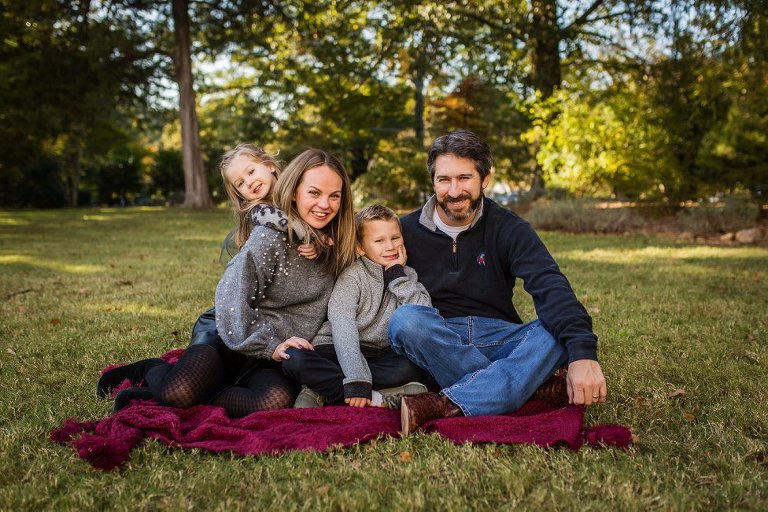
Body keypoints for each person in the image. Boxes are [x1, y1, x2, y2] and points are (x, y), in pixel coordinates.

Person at [97, 147, 357, 417]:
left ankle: (183, 393)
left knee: (274, 401)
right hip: (232, 326)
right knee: (179, 391)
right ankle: (151, 371)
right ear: (295, 191)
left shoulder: (339, 241)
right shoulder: (271, 233)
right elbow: (232, 295)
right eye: (314, 193)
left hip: (279, 349)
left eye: (334, 196)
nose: (324, 205)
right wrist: (268, 345)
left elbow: (377, 233)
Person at [388, 129, 608, 435]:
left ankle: (449, 402)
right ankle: (527, 387)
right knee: (406, 321)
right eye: (444, 180)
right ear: (433, 181)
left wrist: (583, 353)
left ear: (485, 179)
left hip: (500, 337)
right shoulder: (404, 230)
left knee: (554, 331)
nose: (454, 191)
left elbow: (550, 285)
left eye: (464, 178)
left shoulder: (510, 228)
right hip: (438, 335)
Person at [282, 204, 431, 409]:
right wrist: (356, 377)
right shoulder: (353, 276)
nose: (389, 246)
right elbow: (343, 326)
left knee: (410, 369)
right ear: (360, 248)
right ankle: (377, 398)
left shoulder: (408, 276)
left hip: (378, 355)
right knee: (294, 359)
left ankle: (321, 387)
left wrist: (398, 277)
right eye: (379, 241)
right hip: (334, 347)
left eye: (395, 238)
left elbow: (425, 315)